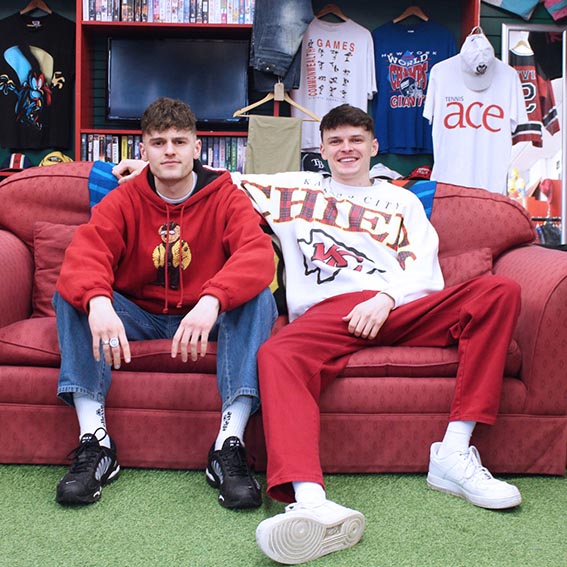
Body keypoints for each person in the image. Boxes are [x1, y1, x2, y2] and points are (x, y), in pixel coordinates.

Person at [114, 103, 522, 565]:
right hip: (329, 314)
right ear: (321, 150)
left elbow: (425, 270)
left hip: (399, 305)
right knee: (277, 354)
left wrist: (385, 298)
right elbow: (210, 175)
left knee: (498, 292)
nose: (346, 149)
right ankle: (310, 500)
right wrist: (144, 166)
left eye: (355, 140)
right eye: (335, 142)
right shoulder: (296, 188)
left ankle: (452, 453)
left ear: (373, 146)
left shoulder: (404, 200)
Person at [54, 97, 277, 509]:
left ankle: (229, 443)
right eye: (158, 142)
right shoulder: (123, 200)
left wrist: (213, 298)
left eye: (179, 141)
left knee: (257, 298)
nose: (169, 150)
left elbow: (258, 254)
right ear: (143, 151)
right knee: (72, 296)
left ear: (197, 148)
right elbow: (85, 255)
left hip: (203, 316)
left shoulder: (226, 196)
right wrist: (99, 302)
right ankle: (97, 443)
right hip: (140, 316)